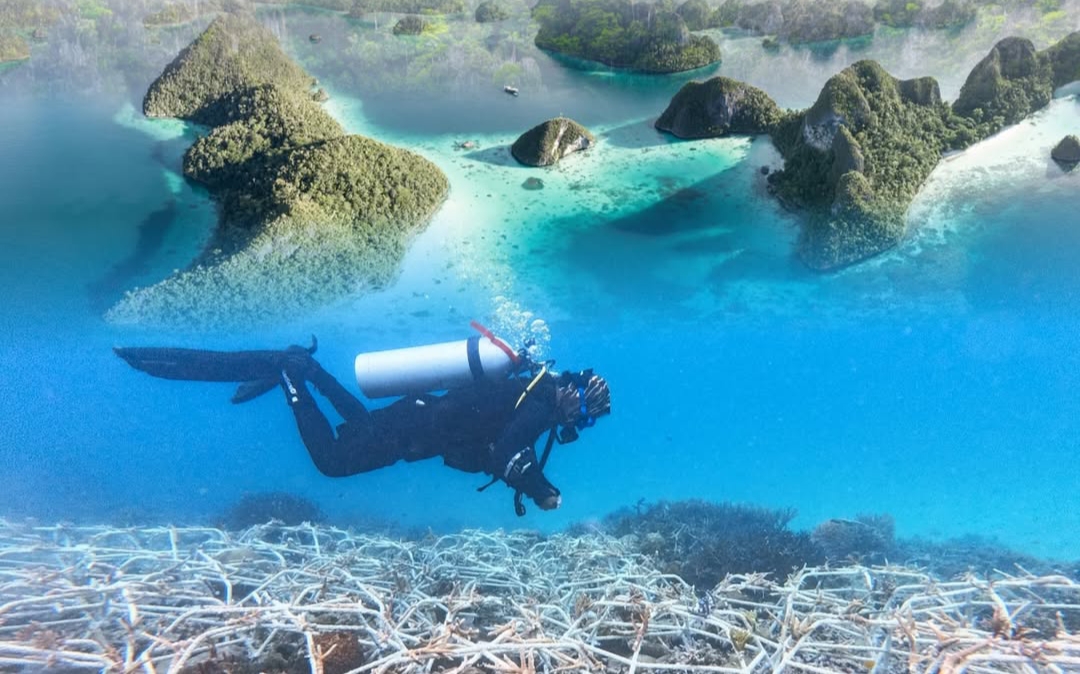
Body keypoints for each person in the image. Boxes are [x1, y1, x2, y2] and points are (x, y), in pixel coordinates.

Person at [115, 337, 610, 515]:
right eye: (586, 416)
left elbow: (502, 447)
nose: (580, 425)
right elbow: (507, 455)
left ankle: (307, 370)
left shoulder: (533, 393)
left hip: (417, 418)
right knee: (332, 461)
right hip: (414, 429)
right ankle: (291, 374)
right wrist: (545, 493)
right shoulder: (539, 405)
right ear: (577, 401)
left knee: (355, 429)